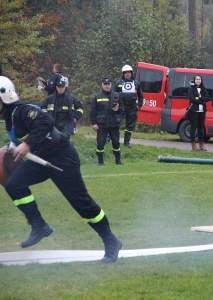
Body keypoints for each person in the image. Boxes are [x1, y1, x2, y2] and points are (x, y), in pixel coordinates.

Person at [0, 76, 122, 263]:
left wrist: (27, 145)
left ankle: (111, 241)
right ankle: (39, 226)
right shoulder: (10, 117)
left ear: (4, 96)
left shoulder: (22, 110)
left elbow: (45, 122)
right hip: (42, 160)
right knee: (14, 184)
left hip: (63, 159)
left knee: (82, 204)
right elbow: (20, 138)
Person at [90, 77, 123, 165]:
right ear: (102, 85)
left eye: (108, 84)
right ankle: (100, 162)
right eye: (105, 84)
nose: (107, 86)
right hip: (102, 124)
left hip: (114, 123)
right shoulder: (97, 96)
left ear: (111, 85)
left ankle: (118, 160)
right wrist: (93, 123)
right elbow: (93, 111)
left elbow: (122, 110)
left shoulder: (117, 95)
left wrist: (118, 110)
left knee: (116, 143)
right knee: (100, 143)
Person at [115, 65, 143, 147]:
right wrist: (114, 104)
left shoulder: (136, 83)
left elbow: (140, 95)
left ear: (131, 73)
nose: (127, 74)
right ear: (123, 74)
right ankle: (112, 139)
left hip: (132, 107)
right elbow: (113, 94)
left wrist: (140, 105)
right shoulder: (118, 83)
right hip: (121, 106)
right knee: (116, 123)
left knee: (130, 125)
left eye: (129, 72)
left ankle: (126, 142)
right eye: (125, 73)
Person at [187, 75, 209, 151]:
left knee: (201, 128)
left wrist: (199, 98)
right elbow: (192, 99)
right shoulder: (191, 89)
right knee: (193, 128)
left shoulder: (204, 89)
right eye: (197, 79)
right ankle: (193, 145)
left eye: (199, 79)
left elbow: (208, 98)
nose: (198, 80)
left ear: (201, 80)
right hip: (193, 111)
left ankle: (201, 145)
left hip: (202, 112)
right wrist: (201, 100)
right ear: (194, 80)